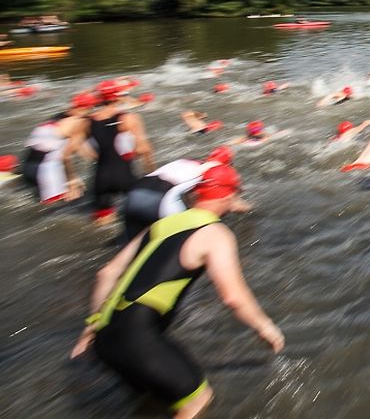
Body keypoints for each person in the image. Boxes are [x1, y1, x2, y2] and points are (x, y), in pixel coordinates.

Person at [70, 162, 283, 418]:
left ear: (196, 194)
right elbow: (233, 297)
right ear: (230, 196)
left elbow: (107, 273)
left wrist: (91, 326)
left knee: (149, 404)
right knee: (197, 400)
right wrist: (264, 326)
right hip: (138, 338)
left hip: (104, 337)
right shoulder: (215, 234)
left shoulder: (161, 225)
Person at [121, 147, 249, 243]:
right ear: (227, 164)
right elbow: (197, 203)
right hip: (161, 200)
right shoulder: (214, 171)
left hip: (134, 193)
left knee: (132, 249)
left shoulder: (185, 162)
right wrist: (249, 210)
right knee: (178, 244)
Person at [88, 80, 155, 224]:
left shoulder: (88, 120)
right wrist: (151, 172)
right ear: (119, 96)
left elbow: (87, 148)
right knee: (143, 220)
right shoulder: (129, 118)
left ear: (99, 97)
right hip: (124, 175)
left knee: (101, 223)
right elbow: (144, 148)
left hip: (100, 177)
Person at [21, 92, 94, 204]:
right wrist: (72, 179)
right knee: (63, 209)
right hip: (46, 171)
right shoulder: (79, 122)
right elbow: (66, 156)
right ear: (88, 108)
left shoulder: (57, 118)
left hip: (27, 166)